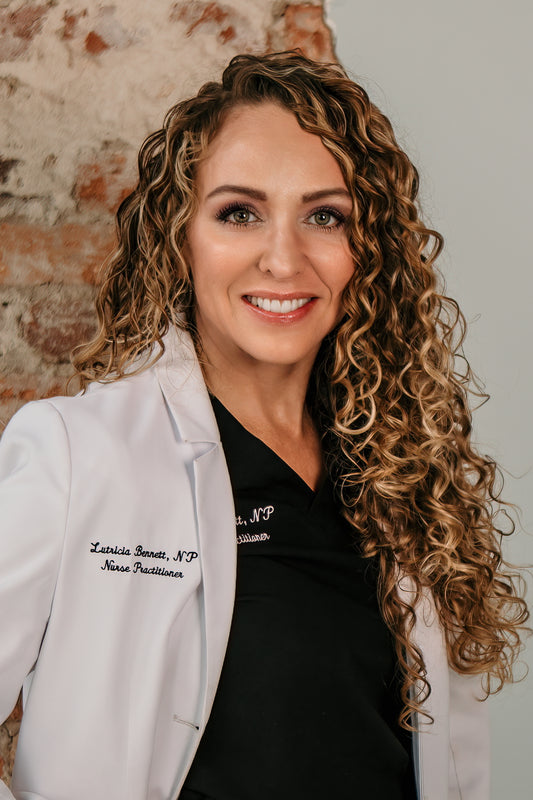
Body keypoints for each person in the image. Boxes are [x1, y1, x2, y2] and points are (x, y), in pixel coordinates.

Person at [0, 51, 528, 800]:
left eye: (324, 216)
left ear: (367, 250)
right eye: (239, 213)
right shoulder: (75, 453)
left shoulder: (402, 473)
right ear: (179, 238)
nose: (283, 260)